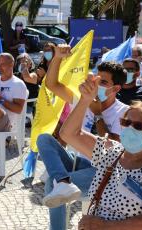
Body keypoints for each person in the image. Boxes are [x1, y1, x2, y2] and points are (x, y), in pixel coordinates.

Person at [60, 80, 142, 229]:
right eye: (125, 122)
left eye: (138, 126)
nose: (129, 128)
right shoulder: (111, 152)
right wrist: (85, 100)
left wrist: (105, 226)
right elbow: (68, 134)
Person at [37, 44, 128, 230]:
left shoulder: (124, 113)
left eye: (103, 83)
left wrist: (98, 115)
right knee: (44, 139)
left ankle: (59, 189)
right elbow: (52, 84)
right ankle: (63, 182)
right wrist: (57, 59)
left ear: (116, 88)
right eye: (96, 78)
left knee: (50, 184)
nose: (96, 85)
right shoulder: (82, 99)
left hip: (106, 172)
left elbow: (114, 152)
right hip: (80, 161)